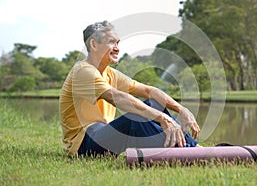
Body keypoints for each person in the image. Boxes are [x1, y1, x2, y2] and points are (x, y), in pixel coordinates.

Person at [59, 21, 201, 157]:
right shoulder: (83, 71)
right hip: (83, 145)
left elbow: (148, 91)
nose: (117, 48)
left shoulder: (110, 73)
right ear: (94, 44)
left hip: (101, 134)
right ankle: (190, 151)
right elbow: (118, 98)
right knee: (135, 118)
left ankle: (193, 147)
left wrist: (182, 110)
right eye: (111, 42)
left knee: (154, 103)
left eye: (117, 42)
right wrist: (161, 117)